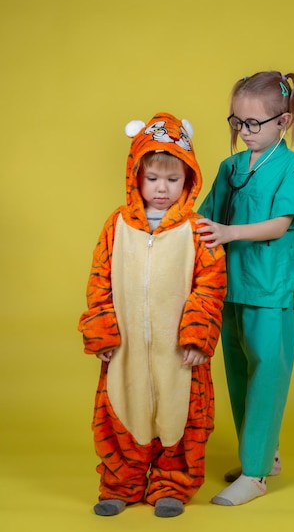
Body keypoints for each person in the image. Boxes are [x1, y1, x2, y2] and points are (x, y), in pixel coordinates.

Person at [79, 113, 226, 518]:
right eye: (152, 179)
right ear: (135, 177)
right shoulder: (118, 225)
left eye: (173, 180)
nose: (162, 189)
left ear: (189, 180)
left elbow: (210, 285)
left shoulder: (198, 231)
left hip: (179, 352)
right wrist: (102, 331)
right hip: (125, 347)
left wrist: (198, 335)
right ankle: (119, 483)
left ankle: (172, 485)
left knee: (180, 416)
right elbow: (99, 278)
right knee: (122, 411)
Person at [196, 70, 294, 506]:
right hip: (231, 286)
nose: (243, 132)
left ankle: (256, 473)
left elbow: (281, 224)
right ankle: (264, 453)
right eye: (237, 122)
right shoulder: (229, 168)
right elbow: (204, 220)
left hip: (271, 286)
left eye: (253, 124)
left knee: (268, 370)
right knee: (238, 371)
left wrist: (228, 234)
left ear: (282, 122)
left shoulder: (293, 167)